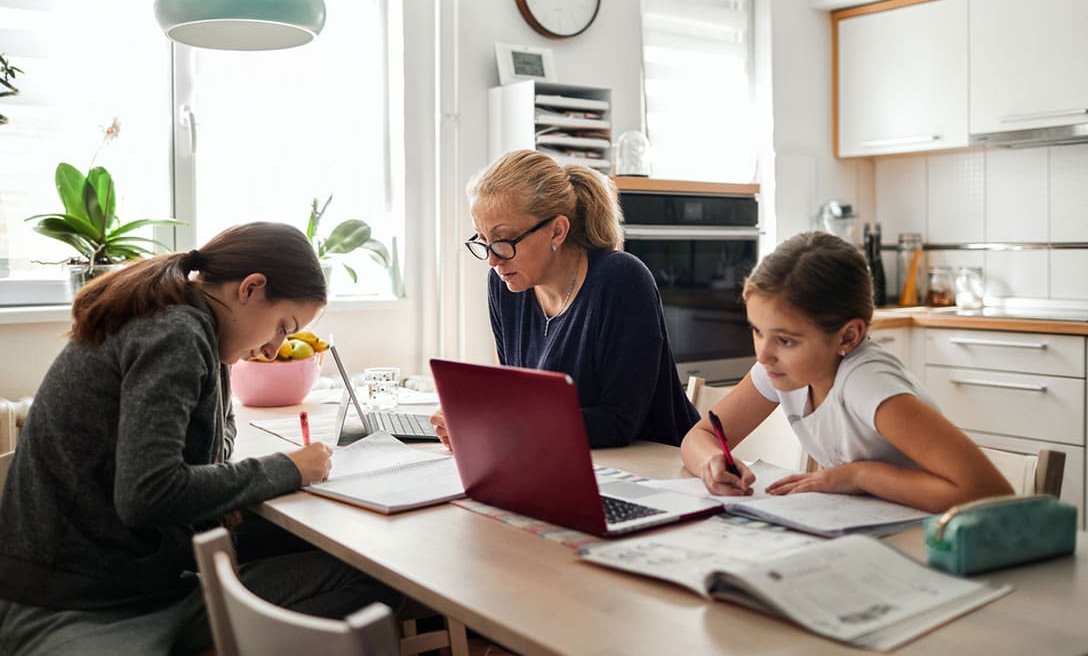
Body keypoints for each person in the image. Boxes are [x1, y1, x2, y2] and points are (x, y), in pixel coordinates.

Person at [0, 222, 401, 655]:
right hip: (79, 604)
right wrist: (289, 468)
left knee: (369, 576)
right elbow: (147, 494)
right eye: (284, 326)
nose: (274, 349)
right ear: (250, 288)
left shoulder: (192, 327)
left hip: (134, 579)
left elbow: (206, 457)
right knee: (367, 589)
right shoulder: (175, 333)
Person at [680, 231, 1013, 513]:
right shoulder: (782, 369)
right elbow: (700, 436)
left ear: (848, 336)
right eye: (757, 331)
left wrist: (857, 476)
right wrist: (712, 462)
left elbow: (990, 494)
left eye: (785, 339)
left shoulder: (866, 383)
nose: (763, 354)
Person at [430, 149, 699, 449]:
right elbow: (520, 399)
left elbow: (620, 422)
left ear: (557, 231)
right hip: (563, 459)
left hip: (658, 469)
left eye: (504, 241)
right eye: (483, 240)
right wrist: (475, 420)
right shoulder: (505, 284)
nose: (493, 260)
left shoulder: (623, 281)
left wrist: (501, 425)